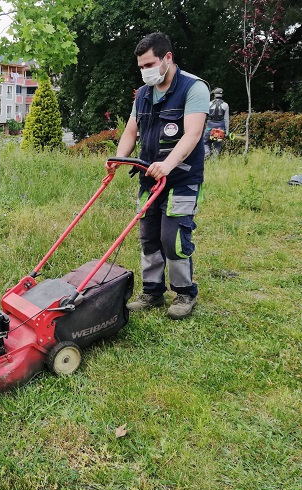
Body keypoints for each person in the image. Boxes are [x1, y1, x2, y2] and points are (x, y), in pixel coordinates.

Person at [106, 32, 209, 320]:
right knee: (148, 237)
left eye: (149, 64)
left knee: (172, 237)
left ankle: (184, 292)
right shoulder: (143, 94)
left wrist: (168, 163)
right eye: (140, 67)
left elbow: (193, 134)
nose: (145, 71)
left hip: (182, 179)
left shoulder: (193, 88)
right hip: (148, 178)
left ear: (167, 58)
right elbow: (131, 130)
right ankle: (152, 292)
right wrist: (119, 158)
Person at [203, 88, 229, 157]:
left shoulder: (208, 104)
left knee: (205, 143)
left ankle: (207, 153)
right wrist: (227, 131)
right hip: (220, 129)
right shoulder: (225, 105)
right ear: (222, 95)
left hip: (209, 128)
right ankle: (214, 160)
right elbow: (226, 119)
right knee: (217, 145)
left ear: (214, 95)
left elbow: (204, 117)